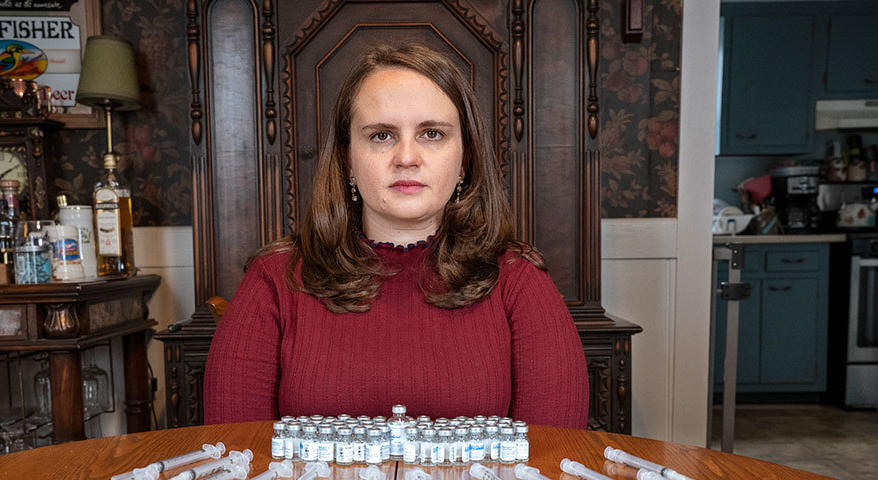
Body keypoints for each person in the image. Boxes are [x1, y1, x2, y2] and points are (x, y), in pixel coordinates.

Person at [204, 44, 589, 428]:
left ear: (465, 160)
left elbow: (551, 462)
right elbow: (237, 459)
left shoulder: (518, 280)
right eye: (381, 136)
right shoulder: (275, 278)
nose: (406, 157)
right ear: (347, 159)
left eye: (432, 134)